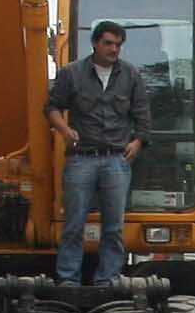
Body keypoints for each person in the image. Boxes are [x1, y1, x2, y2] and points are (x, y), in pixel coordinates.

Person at [47, 19, 147, 285]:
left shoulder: (131, 75)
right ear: (95, 43)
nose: (114, 49)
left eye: (118, 44)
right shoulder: (71, 74)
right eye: (108, 43)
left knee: (114, 227)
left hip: (117, 161)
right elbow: (51, 108)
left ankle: (108, 280)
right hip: (82, 159)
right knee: (74, 224)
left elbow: (143, 117)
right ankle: (68, 280)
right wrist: (65, 131)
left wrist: (137, 143)